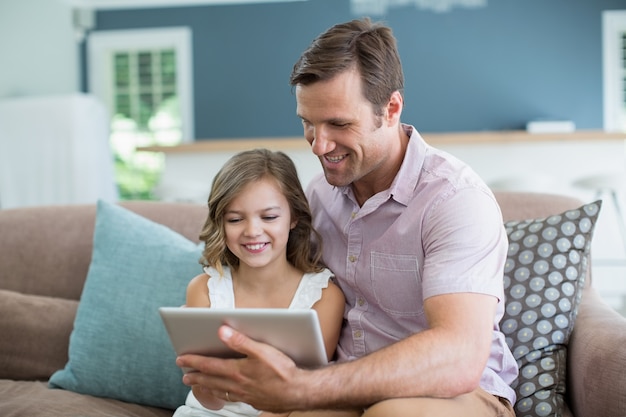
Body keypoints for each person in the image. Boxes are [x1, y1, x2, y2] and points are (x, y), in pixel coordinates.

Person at [176, 18, 518, 417]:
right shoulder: (318, 197)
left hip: (452, 393)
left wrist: (305, 387)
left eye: (339, 124)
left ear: (390, 109)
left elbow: (458, 357)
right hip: (345, 388)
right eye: (308, 123)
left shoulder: (456, 201)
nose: (319, 146)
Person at [173, 148, 346, 417]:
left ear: (294, 217)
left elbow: (304, 391)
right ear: (221, 222)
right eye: (235, 219)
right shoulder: (204, 289)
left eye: (269, 217)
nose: (252, 231)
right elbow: (208, 400)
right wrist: (204, 384)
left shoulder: (324, 296)